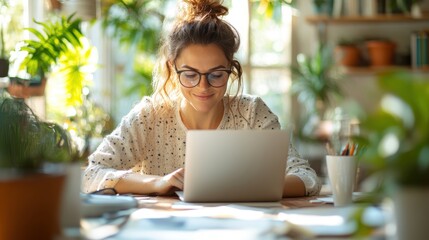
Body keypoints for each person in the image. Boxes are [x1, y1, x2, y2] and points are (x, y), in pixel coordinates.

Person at [82, 0, 321, 197]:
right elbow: (91, 174)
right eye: (190, 74)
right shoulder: (149, 116)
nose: (203, 86)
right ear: (172, 70)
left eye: (216, 75)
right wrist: (158, 183)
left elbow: (306, 177)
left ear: (231, 69)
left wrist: (242, 187)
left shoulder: (252, 113)